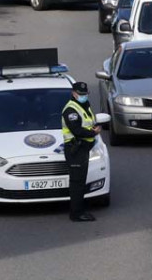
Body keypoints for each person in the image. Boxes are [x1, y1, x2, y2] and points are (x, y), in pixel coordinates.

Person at [61, 82, 101, 222]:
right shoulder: (70, 110)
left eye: (85, 94)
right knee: (77, 182)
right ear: (74, 93)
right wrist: (92, 132)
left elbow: (88, 121)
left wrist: (94, 126)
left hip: (83, 148)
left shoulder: (84, 104)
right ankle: (76, 213)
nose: (83, 96)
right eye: (80, 94)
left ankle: (79, 210)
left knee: (80, 181)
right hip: (75, 149)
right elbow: (77, 130)